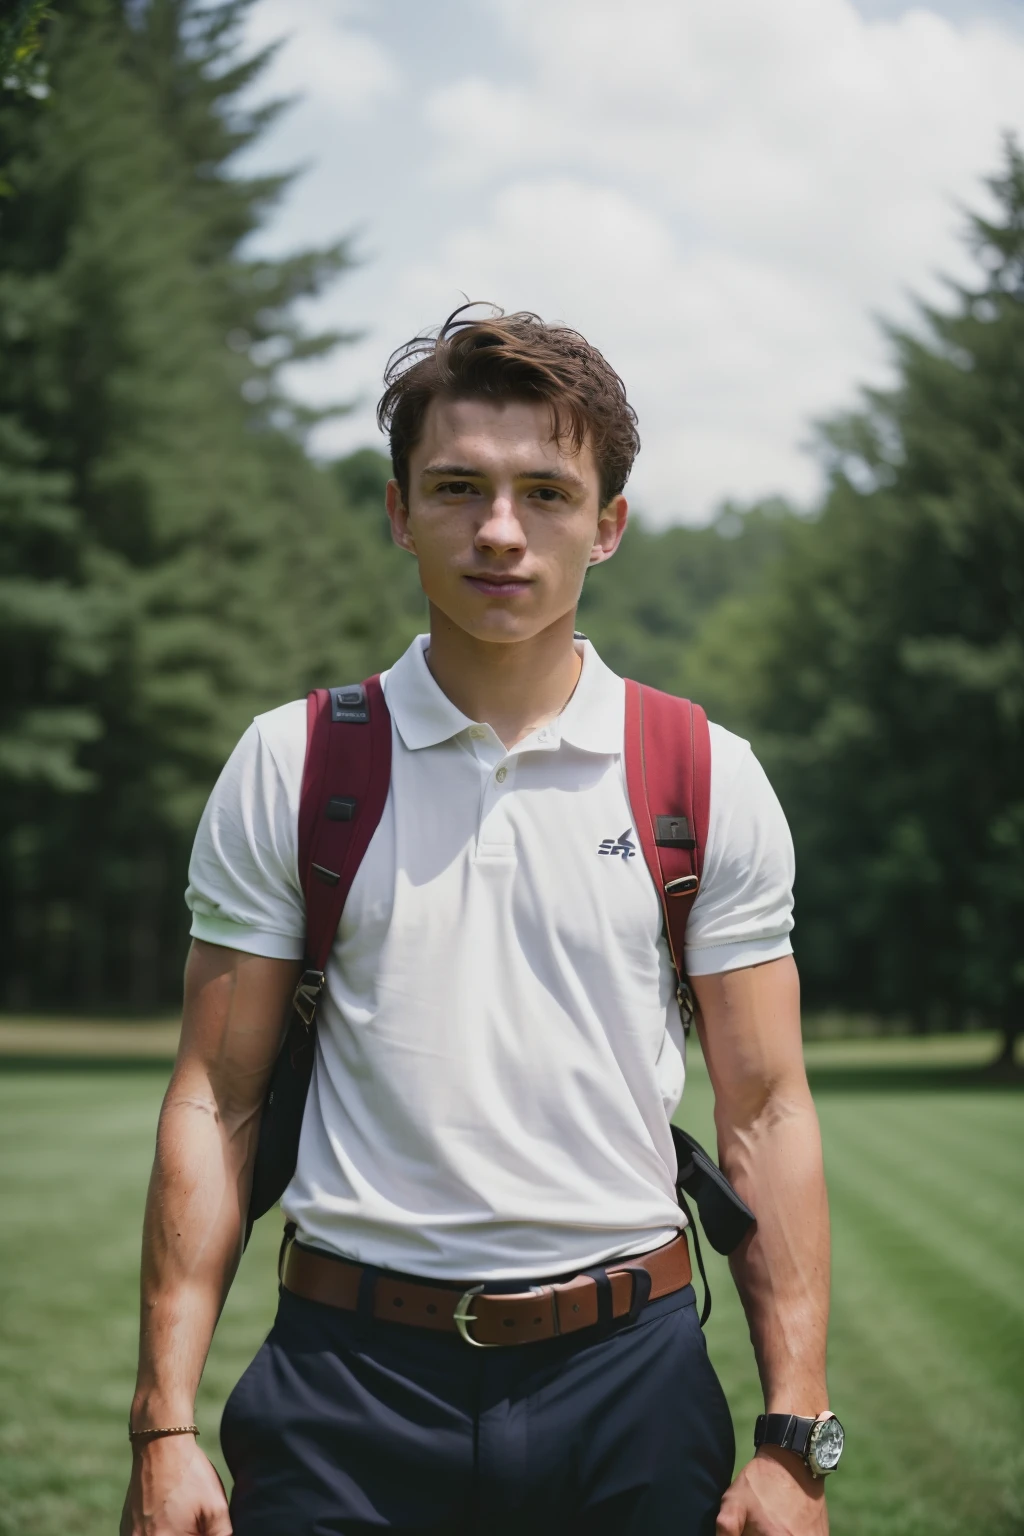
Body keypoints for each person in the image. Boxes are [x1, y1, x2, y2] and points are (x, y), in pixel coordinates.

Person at [121, 305, 835, 1536]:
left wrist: (794, 1440)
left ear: (605, 525)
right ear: (399, 513)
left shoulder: (701, 773)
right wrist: (164, 1424)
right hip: (345, 1385)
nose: (500, 531)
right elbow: (214, 1097)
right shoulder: (291, 763)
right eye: (457, 487)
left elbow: (765, 1107)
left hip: (632, 1383)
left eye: (545, 494)